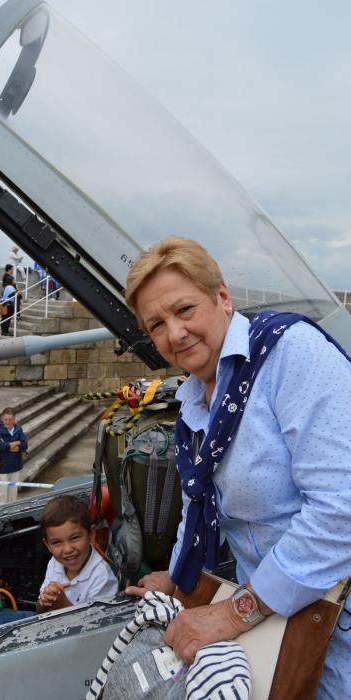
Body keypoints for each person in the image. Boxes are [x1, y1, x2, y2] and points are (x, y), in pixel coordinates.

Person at [123, 236, 351, 699]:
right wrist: (178, 575)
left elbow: (341, 508)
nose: (175, 333)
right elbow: (201, 501)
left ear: (222, 297)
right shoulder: (193, 399)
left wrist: (231, 614)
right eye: (157, 325)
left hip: (335, 624)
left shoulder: (291, 354)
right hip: (279, 623)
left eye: (185, 310)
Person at [36, 495, 118, 612]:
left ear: (91, 535)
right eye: (57, 542)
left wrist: (63, 605)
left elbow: (95, 626)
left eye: (74, 538)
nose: (67, 549)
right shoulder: (54, 563)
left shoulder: (102, 578)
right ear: (47, 545)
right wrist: (44, 601)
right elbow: (39, 610)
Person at [0, 407, 28, 505]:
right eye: (6, 419)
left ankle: (12, 514)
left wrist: (11, 446)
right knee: (2, 494)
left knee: (13, 494)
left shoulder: (18, 429)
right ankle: (0, 514)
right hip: (3, 467)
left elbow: (25, 444)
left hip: (16, 466)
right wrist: (15, 443)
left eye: (10, 419)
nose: (8, 422)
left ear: (14, 419)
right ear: (2, 419)